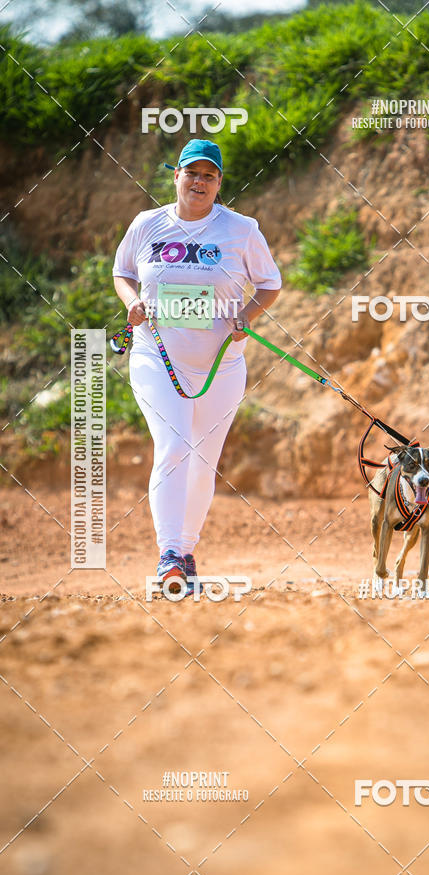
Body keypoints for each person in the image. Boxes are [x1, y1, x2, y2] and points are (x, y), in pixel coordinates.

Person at [113, 139, 281, 594]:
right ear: (176, 177)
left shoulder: (241, 229)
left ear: (219, 183)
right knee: (175, 445)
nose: (199, 182)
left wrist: (248, 315)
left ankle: (186, 552)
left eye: (209, 175)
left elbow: (270, 283)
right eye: (192, 173)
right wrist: (132, 303)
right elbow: (122, 272)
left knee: (203, 460)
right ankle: (167, 552)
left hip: (221, 365)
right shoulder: (147, 224)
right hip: (156, 356)